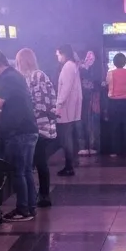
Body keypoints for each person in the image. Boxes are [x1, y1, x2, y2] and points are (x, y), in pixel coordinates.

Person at [0, 49, 39, 221]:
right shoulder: (14, 74)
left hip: (18, 132)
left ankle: (23, 210)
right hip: (28, 129)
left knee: (17, 172)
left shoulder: (6, 78)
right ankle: (30, 207)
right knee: (26, 171)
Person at [16, 48, 58, 209]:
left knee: (38, 161)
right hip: (40, 124)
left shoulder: (36, 76)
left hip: (38, 125)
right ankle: (39, 194)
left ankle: (43, 195)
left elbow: (39, 102)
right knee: (37, 161)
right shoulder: (36, 75)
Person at [54, 44, 82, 175]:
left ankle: (69, 165)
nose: (57, 56)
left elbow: (65, 89)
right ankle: (71, 163)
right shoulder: (72, 66)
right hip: (72, 105)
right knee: (69, 135)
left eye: (58, 54)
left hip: (66, 106)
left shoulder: (68, 67)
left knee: (66, 137)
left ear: (64, 54)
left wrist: (58, 105)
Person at [106, 52, 126, 157]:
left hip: (113, 102)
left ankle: (114, 151)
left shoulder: (110, 73)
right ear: (125, 62)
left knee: (114, 126)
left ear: (114, 62)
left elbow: (106, 83)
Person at [77, 47, 101, 155]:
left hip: (93, 98)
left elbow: (98, 82)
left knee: (92, 123)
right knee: (84, 121)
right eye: (88, 56)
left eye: (92, 56)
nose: (90, 58)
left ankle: (93, 146)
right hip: (83, 98)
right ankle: (84, 146)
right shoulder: (80, 67)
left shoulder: (96, 68)